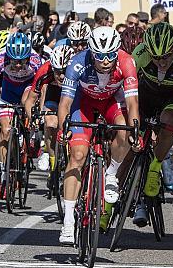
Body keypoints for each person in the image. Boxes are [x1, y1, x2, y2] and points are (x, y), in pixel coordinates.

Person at [56, 27, 141, 243]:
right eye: (100, 56)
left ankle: (111, 173)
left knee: (124, 129)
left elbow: (132, 103)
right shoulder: (77, 62)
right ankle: (68, 221)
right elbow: (65, 103)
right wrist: (62, 128)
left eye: (111, 55)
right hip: (83, 104)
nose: (106, 61)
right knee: (77, 155)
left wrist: (135, 130)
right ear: (91, 52)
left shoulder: (127, 62)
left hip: (112, 102)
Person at [131, 22, 173, 226]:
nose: (161, 62)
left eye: (166, 56)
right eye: (156, 57)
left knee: (169, 122)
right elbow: (126, 85)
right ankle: (109, 199)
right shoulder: (140, 52)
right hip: (145, 96)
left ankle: (155, 167)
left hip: (172, 99)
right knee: (128, 140)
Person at [0, 32, 42, 199]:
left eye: (21, 61)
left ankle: (28, 135)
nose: (17, 65)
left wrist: (38, 112)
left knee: (26, 101)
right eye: (14, 61)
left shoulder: (36, 60)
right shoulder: (0, 59)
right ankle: (3, 173)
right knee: (5, 130)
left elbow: (42, 88)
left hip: (27, 89)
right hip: (8, 92)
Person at [24, 45, 74, 173]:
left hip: (73, 96)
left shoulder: (78, 71)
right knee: (51, 123)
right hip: (54, 94)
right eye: (58, 72)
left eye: (65, 71)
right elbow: (30, 100)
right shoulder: (44, 71)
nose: (62, 76)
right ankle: (52, 159)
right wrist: (34, 118)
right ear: (52, 68)